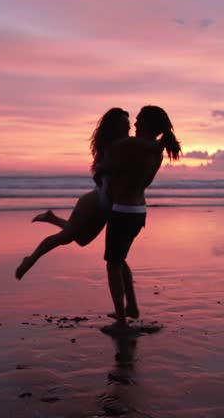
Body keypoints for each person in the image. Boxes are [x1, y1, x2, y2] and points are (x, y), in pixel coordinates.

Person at [15, 108, 131, 280]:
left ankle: (52, 218)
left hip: (111, 204)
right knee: (65, 237)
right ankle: (31, 258)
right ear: (115, 127)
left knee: (82, 240)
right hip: (96, 199)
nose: (129, 128)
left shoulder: (126, 145)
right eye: (125, 124)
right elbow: (102, 170)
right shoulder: (113, 146)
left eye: (129, 125)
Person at [96, 105, 181, 333]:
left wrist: (103, 166)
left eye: (138, 120)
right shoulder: (151, 149)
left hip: (124, 211)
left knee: (112, 265)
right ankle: (131, 307)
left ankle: (122, 321)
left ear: (147, 125)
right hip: (136, 211)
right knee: (119, 259)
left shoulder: (141, 147)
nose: (134, 124)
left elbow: (112, 157)